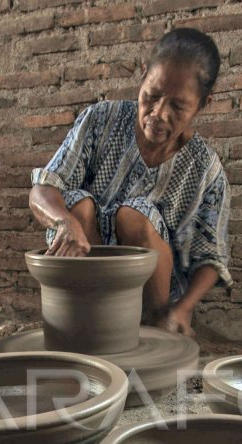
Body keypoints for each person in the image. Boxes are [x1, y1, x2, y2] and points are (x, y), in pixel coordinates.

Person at [28, 28, 231, 337]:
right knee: (75, 205)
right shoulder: (100, 121)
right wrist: (63, 221)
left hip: (154, 303)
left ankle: (149, 330)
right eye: (151, 96)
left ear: (203, 104)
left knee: (135, 215)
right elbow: (43, 187)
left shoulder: (204, 168)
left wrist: (183, 309)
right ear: (142, 74)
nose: (158, 114)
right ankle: (90, 322)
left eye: (178, 106)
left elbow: (211, 256)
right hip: (86, 287)